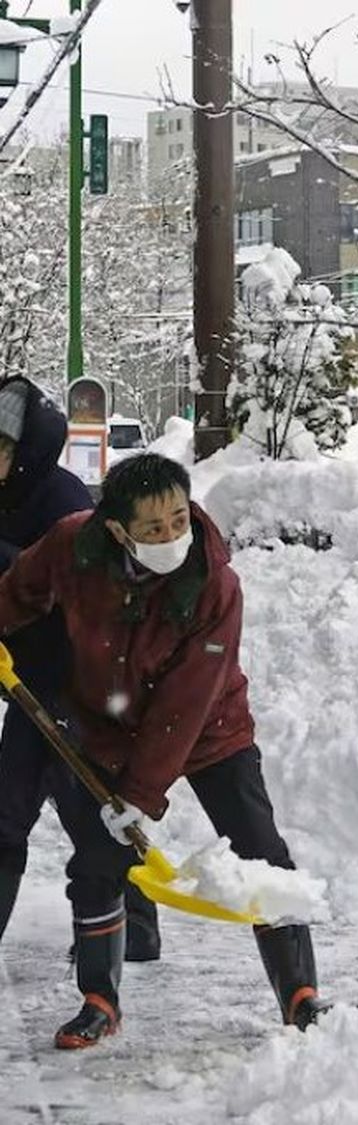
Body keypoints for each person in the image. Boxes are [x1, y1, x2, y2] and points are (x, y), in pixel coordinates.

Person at [0, 452, 329, 1048]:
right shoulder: (73, 545)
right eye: (153, 528)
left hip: (209, 728)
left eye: (179, 518)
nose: (172, 535)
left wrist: (140, 795)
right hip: (108, 723)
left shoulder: (214, 582)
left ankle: (299, 992)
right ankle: (99, 999)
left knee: (260, 848)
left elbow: (187, 701)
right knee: (98, 860)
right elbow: (20, 591)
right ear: (116, 528)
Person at [0, 377, 160, 960]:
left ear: (27, 453)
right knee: (7, 810)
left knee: (90, 811)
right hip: (30, 686)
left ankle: (134, 927)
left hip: (84, 689)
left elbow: (86, 593)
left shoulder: (63, 501)